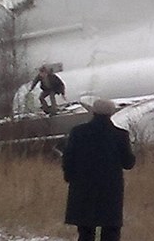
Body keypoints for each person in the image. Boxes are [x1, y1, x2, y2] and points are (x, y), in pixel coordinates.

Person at [62, 99, 136, 241]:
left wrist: (69, 177)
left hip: (83, 188)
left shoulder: (78, 132)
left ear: (93, 112)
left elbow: (68, 158)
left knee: (85, 232)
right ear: (111, 113)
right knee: (111, 232)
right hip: (110, 191)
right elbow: (128, 163)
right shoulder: (120, 135)